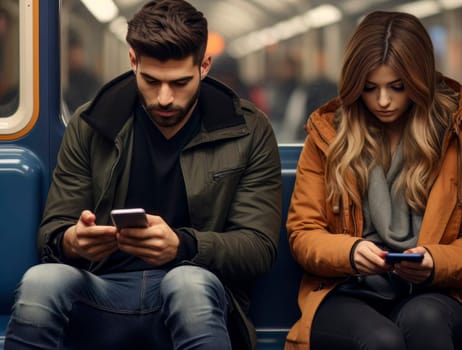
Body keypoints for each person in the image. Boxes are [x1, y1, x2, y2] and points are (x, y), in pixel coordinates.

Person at [4, 1, 281, 349]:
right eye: (151, 81)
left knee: (187, 284)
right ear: (133, 62)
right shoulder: (92, 124)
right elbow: (53, 230)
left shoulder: (248, 130)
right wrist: (73, 241)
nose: (165, 98)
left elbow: (258, 247)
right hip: (104, 286)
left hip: (196, 289)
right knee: (41, 281)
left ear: (204, 66)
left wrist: (183, 245)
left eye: (180, 83)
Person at [285, 11, 462, 350]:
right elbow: (304, 233)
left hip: (440, 291)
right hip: (348, 289)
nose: (383, 101)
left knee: (424, 320)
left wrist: (435, 262)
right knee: (382, 340)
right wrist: (350, 252)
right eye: (370, 88)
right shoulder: (328, 137)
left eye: (398, 87)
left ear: (419, 81)